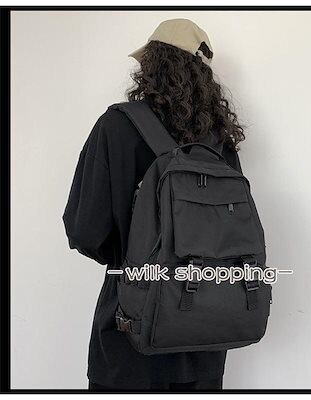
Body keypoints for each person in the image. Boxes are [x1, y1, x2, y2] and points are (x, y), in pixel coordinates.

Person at [63, 18, 245, 391]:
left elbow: (85, 230)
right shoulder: (219, 142)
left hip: (130, 335)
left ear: (150, 65)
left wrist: (130, 256)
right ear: (204, 76)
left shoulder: (117, 126)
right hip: (206, 338)